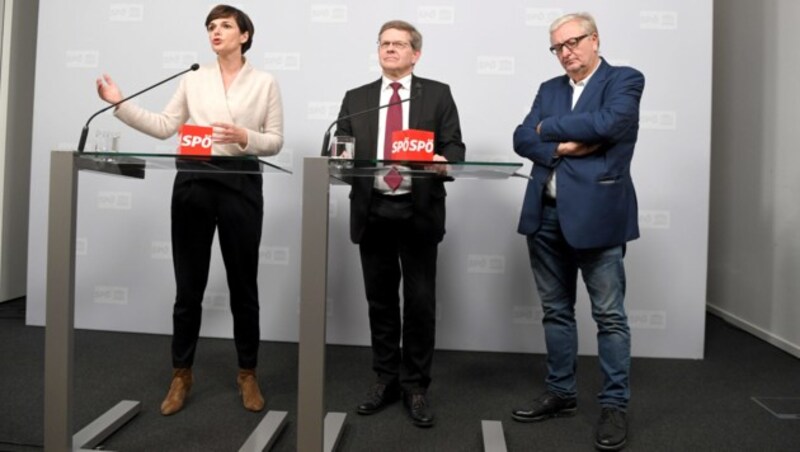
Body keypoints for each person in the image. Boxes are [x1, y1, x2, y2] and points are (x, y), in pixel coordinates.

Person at [95, 4, 283, 415]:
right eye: (211, 27)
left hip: (240, 187)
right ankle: (181, 374)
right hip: (194, 186)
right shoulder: (193, 78)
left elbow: (275, 140)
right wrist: (120, 103)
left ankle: (247, 373)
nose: (216, 32)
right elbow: (165, 126)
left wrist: (244, 135)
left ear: (245, 35)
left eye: (225, 26)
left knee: (243, 288)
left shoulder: (265, 81)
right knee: (188, 289)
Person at [511, 12, 644, 451]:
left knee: (609, 316)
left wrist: (547, 130)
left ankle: (614, 406)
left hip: (599, 217)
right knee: (556, 311)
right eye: (557, 47)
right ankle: (562, 393)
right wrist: (569, 143)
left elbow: (608, 125)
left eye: (572, 42)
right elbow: (520, 137)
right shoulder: (550, 89)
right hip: (544, 215)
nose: (565, 52)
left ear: (594, 39)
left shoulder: (625, 80)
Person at [330, 20, 465, 428]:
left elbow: (455, 145)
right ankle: (385, 379)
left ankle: (416, 386)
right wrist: (336, 155)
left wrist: (444, 160)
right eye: (384, 44)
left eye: (398, 44)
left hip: (418, 210)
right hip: (373, 211)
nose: (389, 50)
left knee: (420, 303)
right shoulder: (359, 98)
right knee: (381, 301)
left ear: (415, 54)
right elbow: (341, 147)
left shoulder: (437, 94)